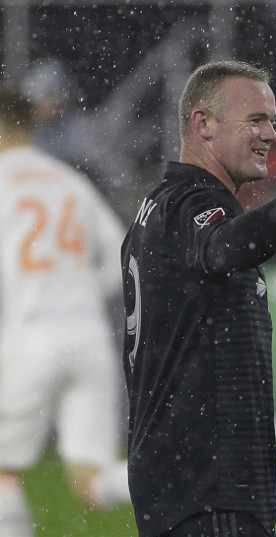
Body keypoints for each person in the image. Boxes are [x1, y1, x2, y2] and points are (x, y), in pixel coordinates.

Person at [120, 60, 276, 537]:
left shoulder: (159, 207)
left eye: (273, 120)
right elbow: (226, 247)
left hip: (179, 486)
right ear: (203, 124)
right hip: (209, 489)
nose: (270, 134)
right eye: (255, 120)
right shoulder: (193, 204)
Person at [0, 86, 131, 537]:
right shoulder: (69, 181)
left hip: (28, 337)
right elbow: (122, 254)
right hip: (89, 339)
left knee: (2, 473)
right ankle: (194, 475)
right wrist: (80, 296)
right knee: (92, 483)